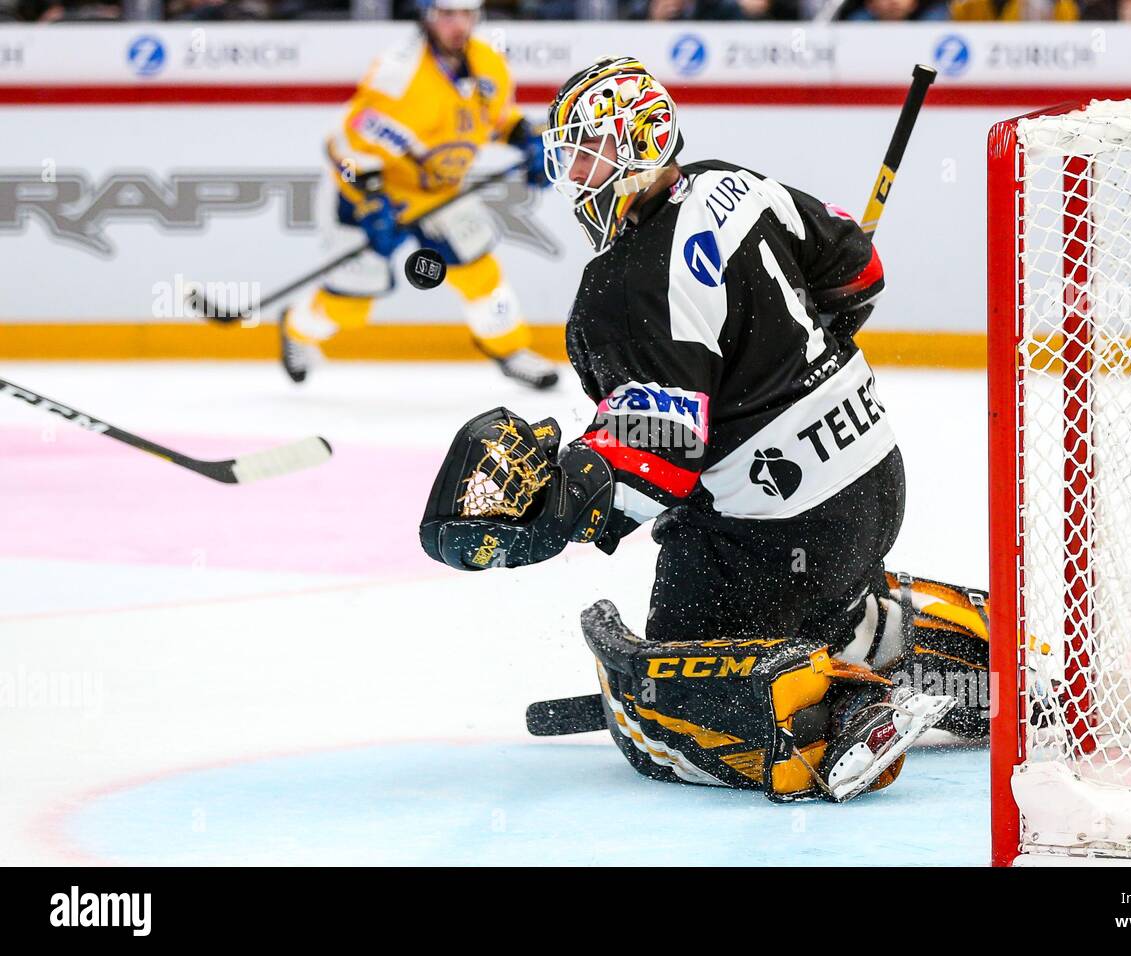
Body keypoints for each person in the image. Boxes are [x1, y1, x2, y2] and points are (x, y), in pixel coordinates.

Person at [419, 58, 987, 803]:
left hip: (779, 528)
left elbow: (659, 461)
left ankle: (838, 713)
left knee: (659, 704)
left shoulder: (620, 287)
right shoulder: (737, 183)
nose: (575, 173)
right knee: (804, 600)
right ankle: (923, 637)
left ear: (638, 143)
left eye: (588, 149)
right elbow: (860, 274)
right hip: (875, 481)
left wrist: (562, 505)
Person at [279, 0, 560, 390]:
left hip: (437, 191)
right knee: (352, 300)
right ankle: (296, 328)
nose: (458, 25)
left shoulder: (488, 63)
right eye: (448, 14)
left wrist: (527, 139)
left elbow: (494, 120)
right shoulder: (397, 74)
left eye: (466, 14)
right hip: (371, 194)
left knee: (479, 271)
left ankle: (510, 350)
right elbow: (342, 145)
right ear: (428, 15)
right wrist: (371, 201)